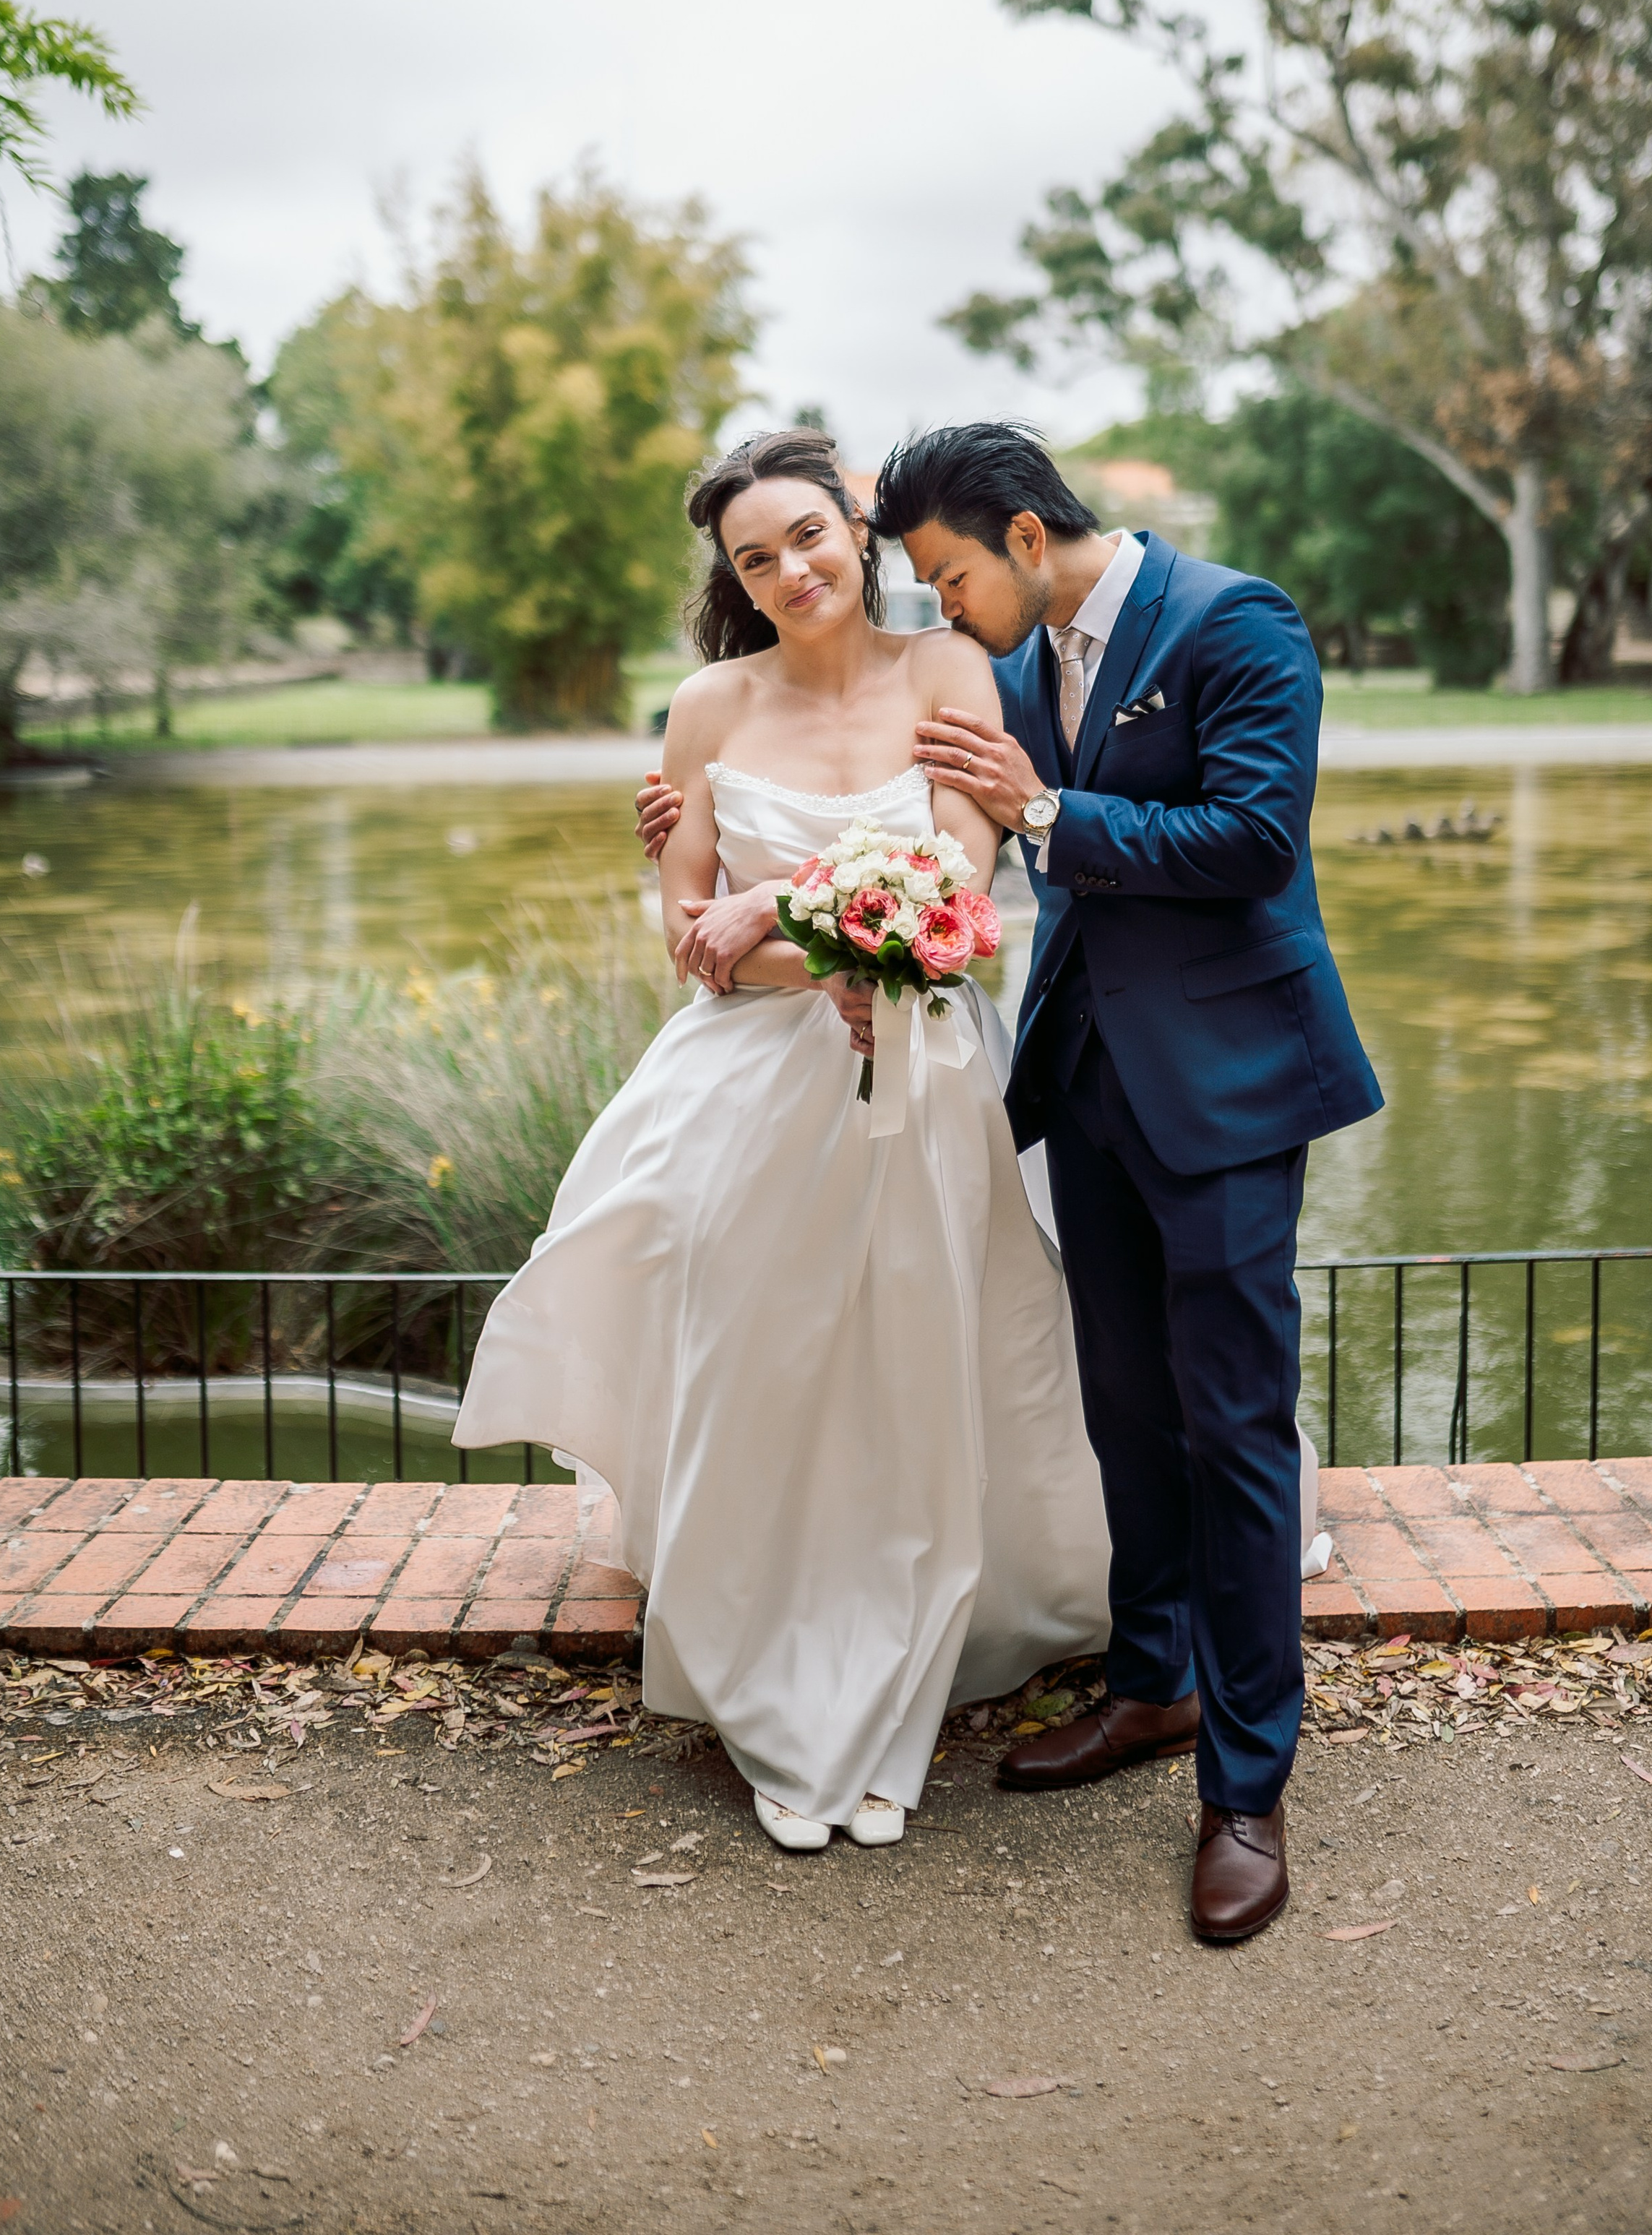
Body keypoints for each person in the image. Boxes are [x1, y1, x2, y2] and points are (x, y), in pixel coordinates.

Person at [637, 421, 1381, 1942]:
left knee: (1232, 1427)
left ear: (1024, 539)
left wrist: (1034, 815)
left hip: (1228, 1085)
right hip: (1081, 1080)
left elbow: (1247, 837)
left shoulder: (1231, 619)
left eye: (945, 571)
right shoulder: (1012, 655)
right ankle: (1153, 1685)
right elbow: (911, 839)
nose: (932, 598)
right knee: (1119, 1406)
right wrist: (715, 840)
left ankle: (1245, 1789)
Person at [454, 429, 1114, 1855]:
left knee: (913, 1358)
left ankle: (907, 1659)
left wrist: (790, 909)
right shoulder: (702, 706)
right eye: (754, 557)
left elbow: (958, 883)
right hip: (749, 1091)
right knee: (761, 1362)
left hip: (926, 1074)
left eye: (805, 537)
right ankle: (773, 1677)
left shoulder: (948, 670)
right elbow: (689, 939)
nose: (786, 571)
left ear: (853, 529)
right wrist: (795, 950)